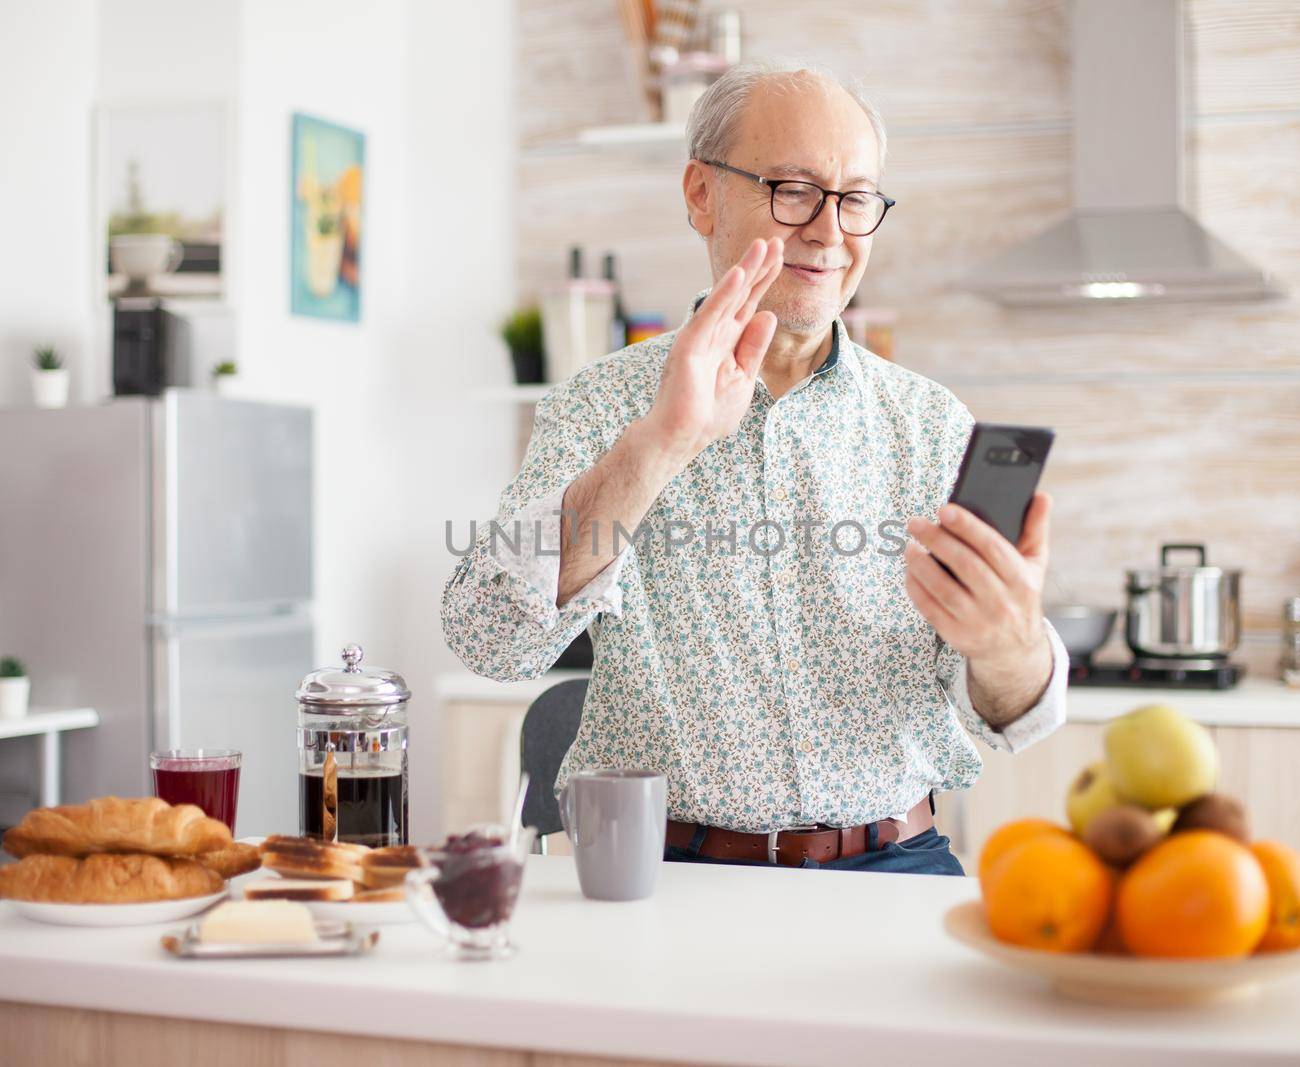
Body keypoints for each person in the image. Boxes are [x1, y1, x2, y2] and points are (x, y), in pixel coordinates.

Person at [441, 60, 1067, 875]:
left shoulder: (931, 425)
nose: (830, 231)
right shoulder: (599, 406)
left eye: (856, 199)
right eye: (794, 189)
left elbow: (1013, 715)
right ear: (702, 193)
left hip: (894, 862)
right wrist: (662, 441)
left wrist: (1010, 644)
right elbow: (489, 638)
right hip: (659, 870)